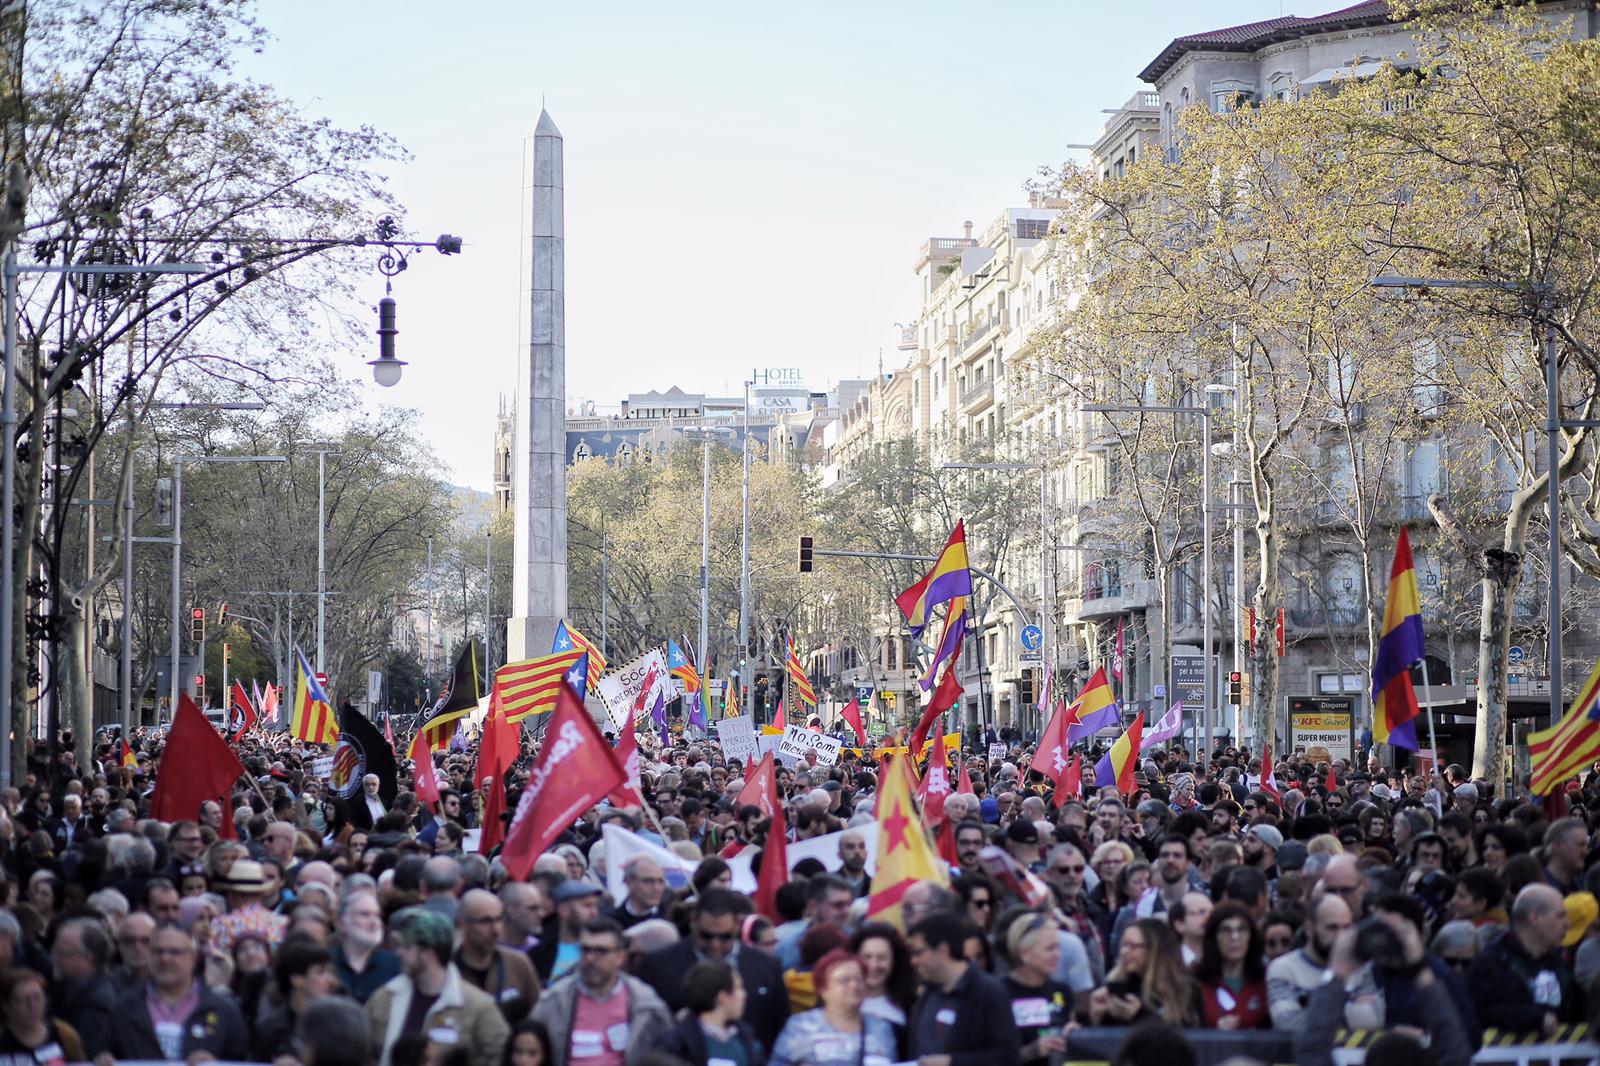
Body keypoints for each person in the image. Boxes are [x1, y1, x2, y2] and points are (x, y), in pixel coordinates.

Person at [635, 887, 790, 1051]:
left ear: (737, 926)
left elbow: (780, 1026)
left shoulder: (767, 967)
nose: (715, 944)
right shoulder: (658, 965)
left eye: (724, 937)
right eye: (706, 935)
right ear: (693, 921)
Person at [366, 907, 510, 1066]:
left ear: (428, 953)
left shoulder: (478, 1006)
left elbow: (502, 1054)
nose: (398, 953)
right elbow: (363, 1051)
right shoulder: (384, 998)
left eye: (407, 947)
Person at [529, 916, 671, 1066]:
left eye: (601, 951)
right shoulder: (553, 1002)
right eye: (585, 950)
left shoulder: (646, 1005)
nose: (590, 958)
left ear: (620, 957)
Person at [105, 921, 251, 1060]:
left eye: (175, 952)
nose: (165, 959)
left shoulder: (223, 1011)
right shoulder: (123, 1008)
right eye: (158, 952)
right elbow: (105, 1051)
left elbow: (242, 1059)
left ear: (193, 958)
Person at [1466, 883, 1585, 1037]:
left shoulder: (1557, 965)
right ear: (1535, 918)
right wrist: (1533, 1018)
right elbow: (1477, 1013)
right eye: (1560, 916)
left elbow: (1577, 1010)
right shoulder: (1489, 965)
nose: (1566, 924)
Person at [904, 910, 1021, 1066]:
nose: (913, 961)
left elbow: (1007, 1057)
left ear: (942, 950)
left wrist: (952, 1062)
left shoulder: (989, 992)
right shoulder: (927, 992)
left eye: (918, 952)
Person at [770, 947, 896, 1066]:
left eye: (859, 979)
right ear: (823, 989)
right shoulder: (800, 1027)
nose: (854, 985)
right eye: (844, 980)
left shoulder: (881, 1028)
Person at [1088, 918, 1199, 1028]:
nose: (1124, 952)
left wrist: (1139, 1016)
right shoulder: (1119, 986)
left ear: (1154, 950)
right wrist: (1097, 1018)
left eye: (1133, 946)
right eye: (1124, 945)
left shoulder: (1184, 989)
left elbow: (1188, 1034)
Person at [657, 958, 765, 1066]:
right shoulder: (676, 1046)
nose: (744, 995)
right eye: (739, 988)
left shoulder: (747, 1043)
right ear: (723, 997)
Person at [456, 889, 542, 1023]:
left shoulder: (518, 964)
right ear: (463, 924)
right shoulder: (448, 969)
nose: (495, 930)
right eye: (485, 921)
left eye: (498, 920)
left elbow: (537, 1017)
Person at [1267, 894, 1352, 1029]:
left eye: (1347, 928)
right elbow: (1288, 1024)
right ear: (1309, 928)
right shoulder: (1283, 968)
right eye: (1332, 927)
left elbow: (1373, 1021)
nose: (1341, 936)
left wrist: (1311, 1011)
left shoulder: (1361, 969)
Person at [1000, 913, 1075, 1066]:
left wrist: (1076, 1036)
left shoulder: (1062, 991)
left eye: (1058, 947)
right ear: (1024, 954)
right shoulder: (998, 993)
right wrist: (1031, 1051)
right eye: (1050, 949)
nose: (1057, 955)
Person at [252, 937, 341, 1061]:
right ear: (296, 979)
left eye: (331, 972)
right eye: (321, 972)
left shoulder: (340, 1026)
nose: (331, 981)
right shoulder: (269, 1030)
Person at [50, 915, 119, 1057]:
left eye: (63, 953)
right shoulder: (66, 988)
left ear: (88, 958)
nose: (55, 958)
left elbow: (84, 1053)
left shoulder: (95, 1005)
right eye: (55, 951)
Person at [1194, 901, 1269, 1029]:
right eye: (1226, 930)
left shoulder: (1266, 978)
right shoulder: (1195, 980)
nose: (1235, 937)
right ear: (1214, 937)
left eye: (1242, 929)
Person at [1, 967, 85, 1062]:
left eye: (37, 998)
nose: (32, 1006)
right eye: (23, 1000)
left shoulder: (65, 1035)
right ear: (6, 1006)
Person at [333, 889, 403, 1003]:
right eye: (365, 914)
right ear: (342, 923)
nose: (374, 922)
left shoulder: (395, 964)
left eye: (377, 915)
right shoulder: (327, 963)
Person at [850, 922, 914, 1028]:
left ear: (894, 961)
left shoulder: (910, 1005)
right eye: (867, 957)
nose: (873, 965)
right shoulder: (840, 1001)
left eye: (882, 958)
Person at [605, 855, 668, 930]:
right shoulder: (608, 922)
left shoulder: (675, 919)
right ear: (629, 881)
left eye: (660, 881)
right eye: (648, 881)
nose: (656, 888)